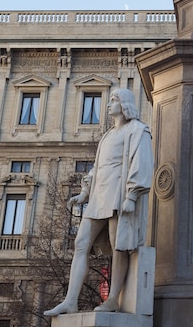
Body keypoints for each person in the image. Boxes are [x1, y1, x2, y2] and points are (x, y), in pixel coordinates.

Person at [44, 88, 153, 316]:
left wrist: (132, 196)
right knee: (81, 244)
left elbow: (141, 163)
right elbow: (98, 168)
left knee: (118, 246)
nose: (108, 104)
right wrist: (84, 192)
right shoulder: (108, 135)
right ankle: (70, 300)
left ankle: (113, 299)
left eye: (113, 100)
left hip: (118, 195)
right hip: (98, 196)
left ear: (124, 104)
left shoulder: (138, 130)